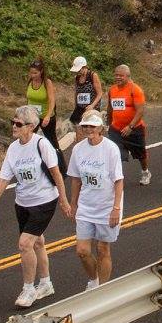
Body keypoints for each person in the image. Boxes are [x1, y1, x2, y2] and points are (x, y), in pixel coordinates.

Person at [0, 105, 74, 309]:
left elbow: (56, 174)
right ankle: (46, 283)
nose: (14, 127)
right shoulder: (13, 148)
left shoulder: (42, 144)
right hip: (22, 203)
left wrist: (63, 200)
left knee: (25, 243)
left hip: (44, 201)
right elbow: (4, 178)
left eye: (18, 124)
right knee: (37, 243)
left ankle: (29, 288)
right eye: (13, 122)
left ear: (31, 126)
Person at [66, 111, 125, 290]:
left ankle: (103, 289)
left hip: (107, 207)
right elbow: (75, 178)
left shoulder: (110, 149)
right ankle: (93, 280)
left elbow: (118, 180)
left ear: (100, 128)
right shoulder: (78, 149)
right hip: (86, 206)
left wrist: (116, 208)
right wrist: (73, 204)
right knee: (82, 251)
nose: (88, 129)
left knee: (102, 249)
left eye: (92, 126)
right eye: (85, 126)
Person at [107, 65, 151, 186]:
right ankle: (117, 179)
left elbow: (140, 111)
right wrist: (108, 124)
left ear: (128, 76)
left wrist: (130, 127)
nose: (118, 77)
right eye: (116, 75)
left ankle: (145, 172)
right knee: (116, 154)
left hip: (134, 129)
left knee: (141, 154)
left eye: (121, 75)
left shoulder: (135, 90)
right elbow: (110, 108)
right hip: (116, 129)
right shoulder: (112, 90)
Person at [26, 60, 62, 178]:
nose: (33, 75)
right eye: (31, 73)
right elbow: (29, 100)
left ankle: (60, 167)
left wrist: (48, 115)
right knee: (28, 140)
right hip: (32, 117)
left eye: (35, 73)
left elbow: (52, 100)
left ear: (41, 72)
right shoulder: (30, 82)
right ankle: (30, 166)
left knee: (52, 141)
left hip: (46, 116)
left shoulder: (47, 83)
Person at [67, 57, 102, 134]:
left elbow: (99, 93)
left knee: (92, 130)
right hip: (80, 107)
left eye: (79, 70)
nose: (78, 72)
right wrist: (76, 105)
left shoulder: (93, 75)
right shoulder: (77, 77)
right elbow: (76, 92)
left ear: (84, 67)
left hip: (91, 108)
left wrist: (92, 106)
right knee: (78, 129)